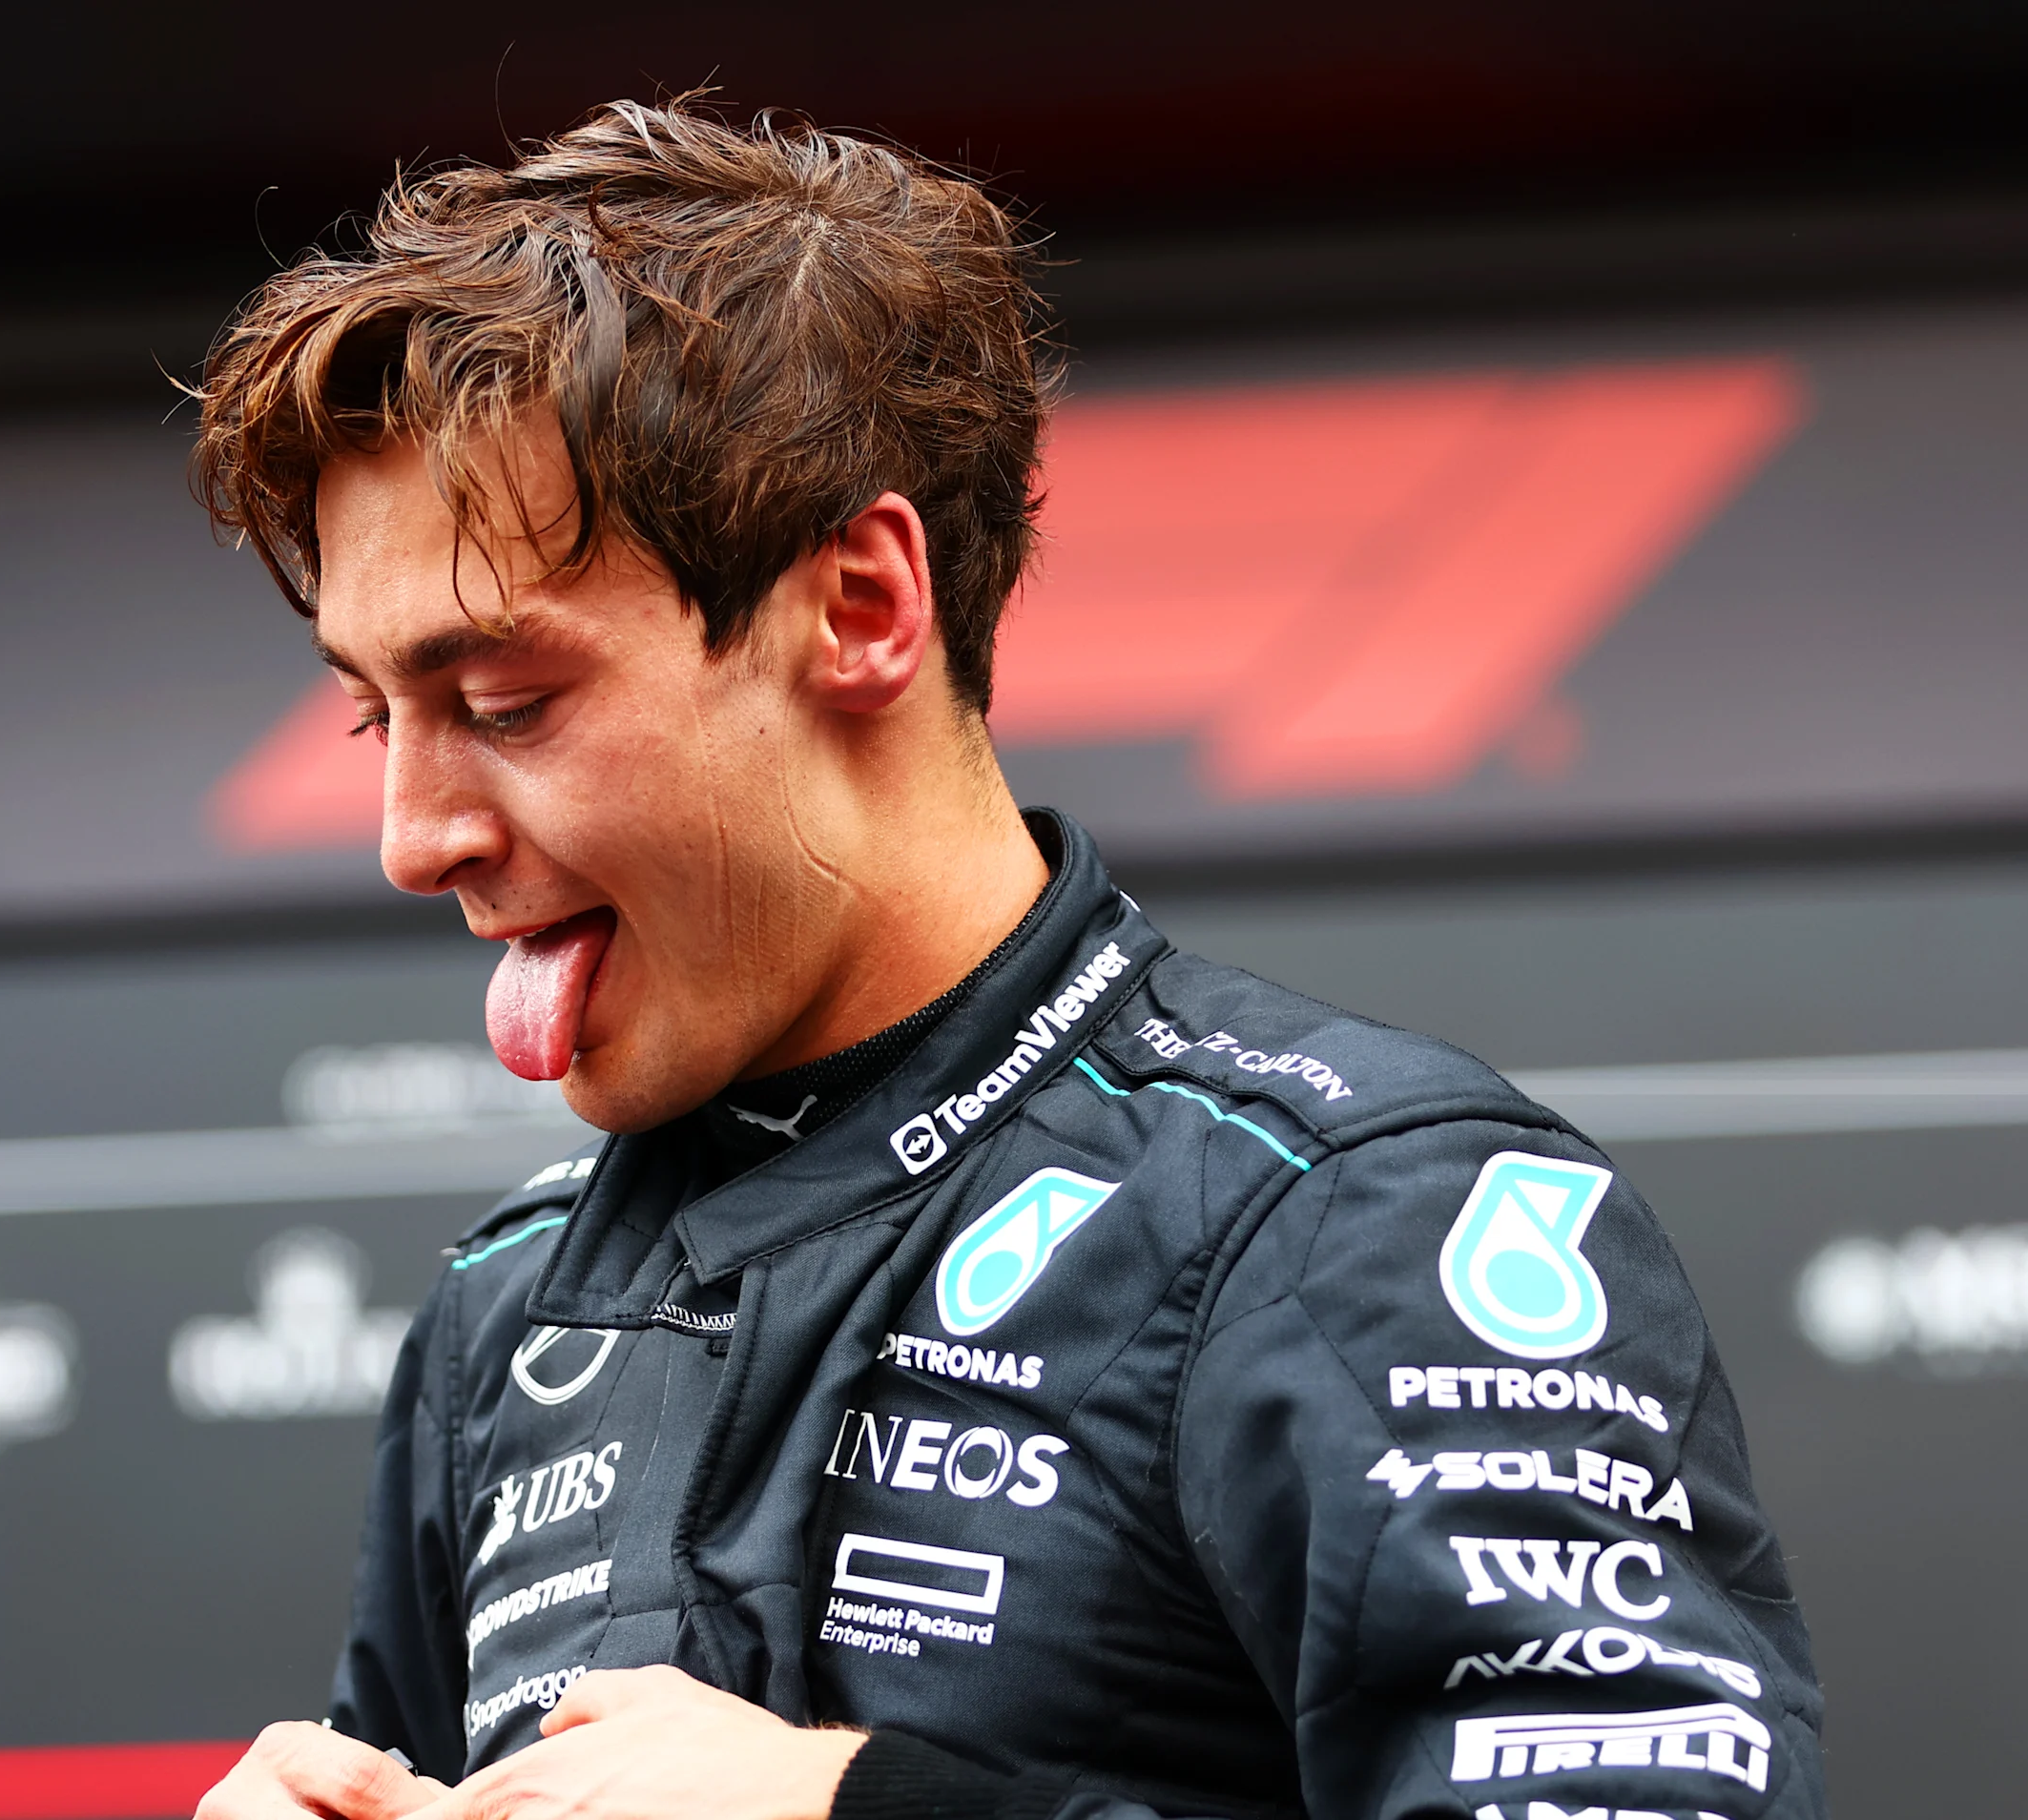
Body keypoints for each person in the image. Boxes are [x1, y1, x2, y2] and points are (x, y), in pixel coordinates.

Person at [186, 98, 1822, 1820]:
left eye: (507, 702)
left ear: (862, 608)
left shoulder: (1355, 1224)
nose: (411, 834)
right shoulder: (514, 1314)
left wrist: (861, 1809)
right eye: (374, 717)